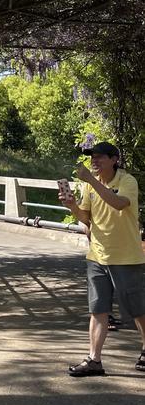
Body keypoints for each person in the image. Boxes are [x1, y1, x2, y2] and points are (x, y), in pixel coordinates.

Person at [58, 141, 145, 377]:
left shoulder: (127, 181)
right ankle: (94, 360)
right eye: (92, 158)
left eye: (99, 157)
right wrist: (73, 206)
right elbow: (87, 219)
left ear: (114, 159)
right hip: (97, 255)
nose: (94, 161)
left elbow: (118, 204)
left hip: (126, 256)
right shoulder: (90, 187)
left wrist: (91, 180)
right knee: (98, 309)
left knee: (137, 309)